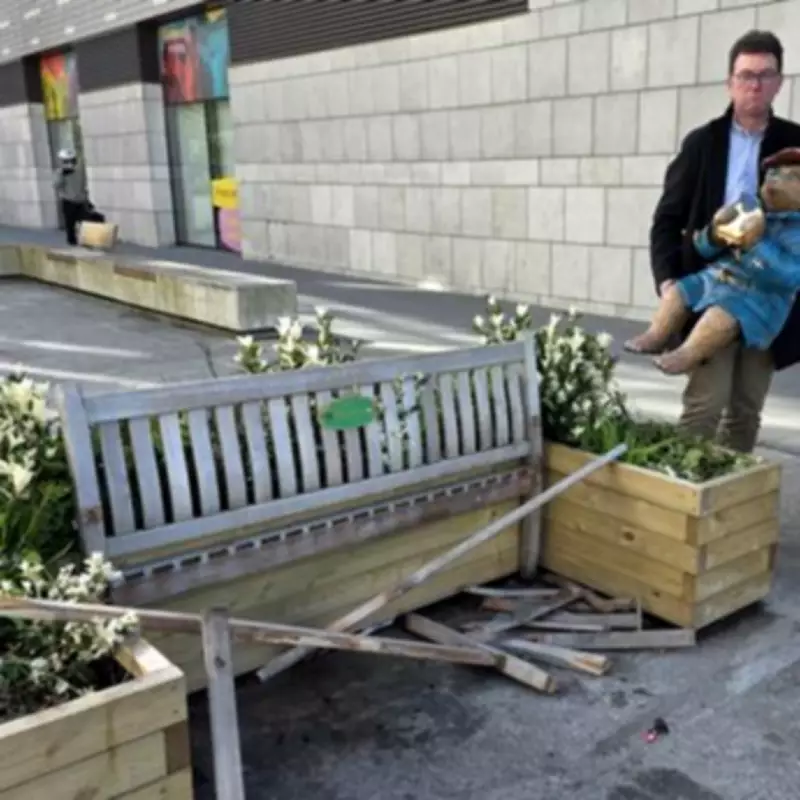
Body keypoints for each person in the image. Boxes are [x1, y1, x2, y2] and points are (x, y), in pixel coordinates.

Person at [649, 29, 800, 453]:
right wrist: (668, 281)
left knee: (746, 410)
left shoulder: (796, 144)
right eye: (746, 75)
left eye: (765, 75)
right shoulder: (702, 144)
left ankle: (733, 491)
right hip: (713, 286)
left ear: (779, 82)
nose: (755, 84)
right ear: (730, 82)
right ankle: (686, 484)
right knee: (705, 405)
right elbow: (667, 220)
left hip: (768, 295)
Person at [629, 150, 800, 375]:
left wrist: (755, 245)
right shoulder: (750, 210)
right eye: (772, 174)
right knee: (677, 292)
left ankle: (687, 353)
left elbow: (790, 277)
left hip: (759, 299)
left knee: (719, 316)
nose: (775, 181)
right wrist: (714, 233)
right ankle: (656, 335)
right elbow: (703, 249)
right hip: (718, 278)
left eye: (792, 176)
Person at [53, 148, 89, 246]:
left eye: (71, 161)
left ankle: (82, 239)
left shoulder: (78, 171)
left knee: (82, 222)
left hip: (79, 200)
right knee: (71, 222)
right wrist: (62, 174)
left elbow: (83, 183)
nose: (69, 163)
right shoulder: (61, 172)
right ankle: (73, 240)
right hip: (70, 200)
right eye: (66, 161)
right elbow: (56, 185)